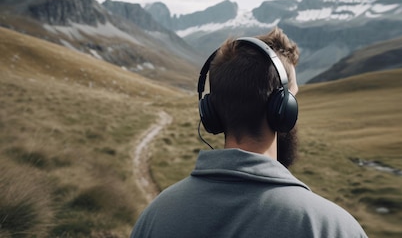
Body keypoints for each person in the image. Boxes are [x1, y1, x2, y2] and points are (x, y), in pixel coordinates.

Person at [131, 27, 367, 238]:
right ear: (282, 111)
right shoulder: (333, 227)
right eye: (293, 97)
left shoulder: (154, 217)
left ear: (212, 112)